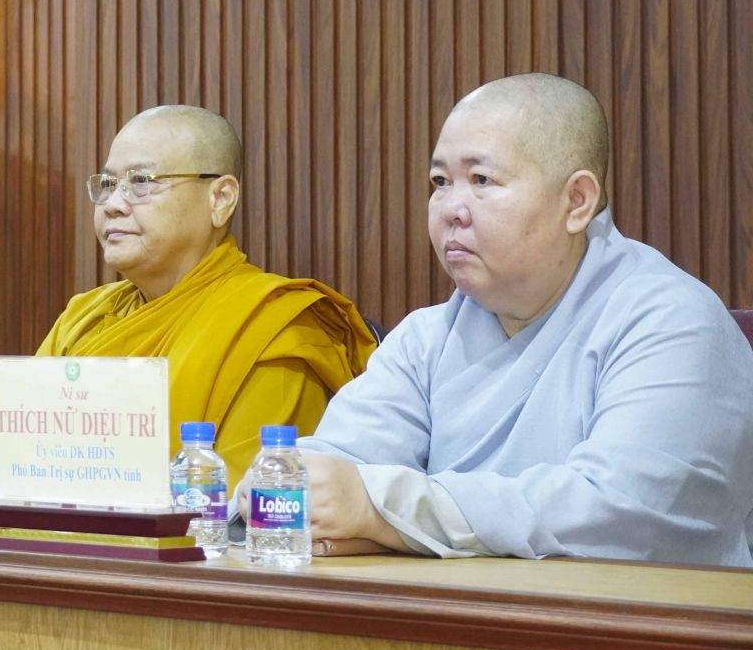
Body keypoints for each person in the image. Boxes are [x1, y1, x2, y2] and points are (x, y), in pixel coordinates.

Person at [295, 73, 753, 566]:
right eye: (441, 182)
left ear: (577, 201)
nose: (451, 210)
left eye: (481, 180)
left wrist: (387, 514)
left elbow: (621, 513)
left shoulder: (671, 322)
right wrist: (314, 498)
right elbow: (324, 481)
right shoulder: (425, 339)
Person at [37, 105, 375, 484]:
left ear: (220, 198)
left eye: (141, 181)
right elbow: (12, 463)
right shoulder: (82, 318)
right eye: (108, 184)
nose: (113, 205)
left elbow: (247, 497)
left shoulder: (272, 325)